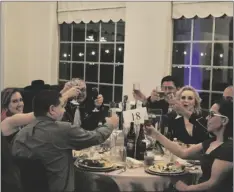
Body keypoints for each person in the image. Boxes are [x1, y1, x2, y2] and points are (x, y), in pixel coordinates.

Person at [12, 89, 119, 192]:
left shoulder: (20, 135)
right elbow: (95, 137)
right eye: (62, 106)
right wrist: (110, 124)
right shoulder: (63, 130)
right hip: (59, 188)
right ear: (52, 110)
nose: (64, 110)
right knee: (105, 184)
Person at [145, 98, 233, 192]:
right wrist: (155, 134)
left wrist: (187, 188)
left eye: (211, 115)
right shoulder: (212, 142)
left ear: (224, 120)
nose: (207, 118)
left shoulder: (228, 148)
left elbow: (212, 184)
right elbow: (182, 153)